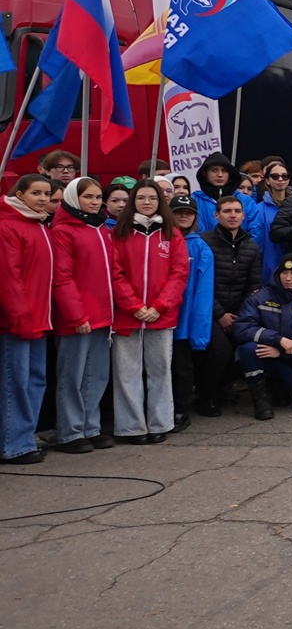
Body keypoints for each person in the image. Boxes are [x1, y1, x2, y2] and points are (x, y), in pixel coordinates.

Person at [109, 180, 191, 443]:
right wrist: (134, 306)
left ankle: (159, 424)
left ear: (160, 202)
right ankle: (131, 427)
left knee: (160, 371)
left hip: (161, 315)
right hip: (127, 316)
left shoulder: (172, 234)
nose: (147, 202)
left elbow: (179, 273)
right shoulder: (119, 233)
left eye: (152, 198)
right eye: (141, 197)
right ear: (133, 200)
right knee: (127, 373)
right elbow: (114, 273)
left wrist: (159, 306)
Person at [48, 178, 116, 453]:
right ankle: (70, 431)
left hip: (102, 315)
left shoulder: (101, 229)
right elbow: (62, 278)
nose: (95, 201)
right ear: (75, 199)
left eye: (99, 197)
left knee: (96, 375)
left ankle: (91, 426)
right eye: (89, 196)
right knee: (72, 376)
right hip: (77, 318)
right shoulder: (63, 231)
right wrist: (76, 316)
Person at [1, 176, 58, 463]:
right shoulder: (7, 226)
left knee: (36, 380)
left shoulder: (39, 224)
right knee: (15, 383)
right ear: (19, 194)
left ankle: (25, 436)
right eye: (36, 193)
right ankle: (12, 444)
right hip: (18, 322)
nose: (42, 198)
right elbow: (8, 278)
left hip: (39, 318)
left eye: (46, 193)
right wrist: (19, 317)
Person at [232, 255, 292, 416]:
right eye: (284, 273)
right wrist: (277, 339)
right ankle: (260, 402)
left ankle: (283, 387)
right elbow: (241, 328)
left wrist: (283, 351)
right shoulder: (260, 296)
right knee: (248, 349)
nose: (288, 278)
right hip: (265, 356)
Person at [200, 196, 261, 416]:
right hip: (210, 312)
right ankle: (206, 398)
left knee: (248, 347)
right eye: (227, 211)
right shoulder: (204, 242)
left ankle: (223, 387)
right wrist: (220, 314)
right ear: (216, 215)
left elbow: (254, 284)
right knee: (222, 352)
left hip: (239, 313)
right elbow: (202, 285)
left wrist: (241, 315)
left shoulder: (251, 246)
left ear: (244, 215)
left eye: (237, 211)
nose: (233, 215)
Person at [168, 195, 216, 432]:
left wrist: (199, 332)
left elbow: (204, 293)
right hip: (158, 316)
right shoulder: (160, 239)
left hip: (184, 320)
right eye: (178, 212)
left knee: (181, 366)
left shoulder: (200, 247)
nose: (183, 216)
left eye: (188, 212)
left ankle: (180, 409)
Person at [192, 152, 259, 232]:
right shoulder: (194, 200)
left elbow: (256, 230)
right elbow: (195, 230)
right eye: (214, 170)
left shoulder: (246, 201)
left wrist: (245, 245)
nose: (220, 175)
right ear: (204, 173)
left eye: (224, 171)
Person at [253, 160, 292, 280]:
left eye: (284, 176)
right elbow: (256, 245)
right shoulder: (258, 209)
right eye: (275, 176)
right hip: (268, 270)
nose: (280, 179)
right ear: (267, 181)